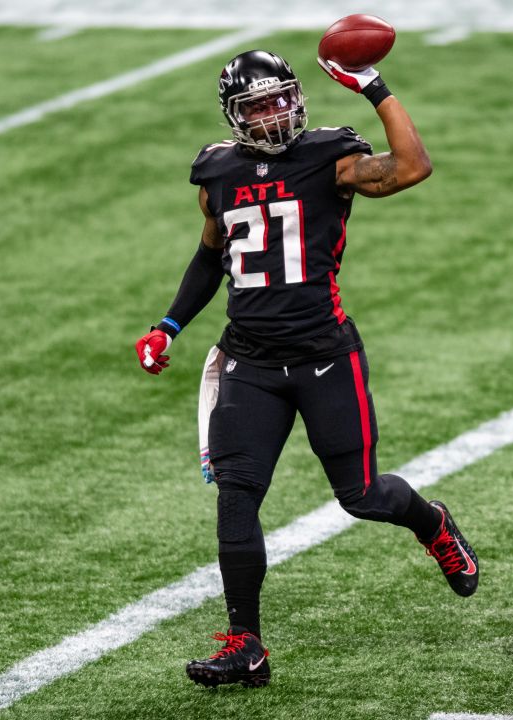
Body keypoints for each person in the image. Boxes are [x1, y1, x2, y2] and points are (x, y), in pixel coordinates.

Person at [134, 49, 478, 689]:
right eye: (260, 105)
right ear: (236, 115)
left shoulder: (331, 156)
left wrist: (374, 86)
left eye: (282, 98)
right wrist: (169, 324)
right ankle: (247, 646)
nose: (275, 114)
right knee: (237, 497)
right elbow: (210, 257)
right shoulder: (217, 171)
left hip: (324, 355)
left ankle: (432, 525)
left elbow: (413, 166)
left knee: (363, 497)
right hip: (250, 361)